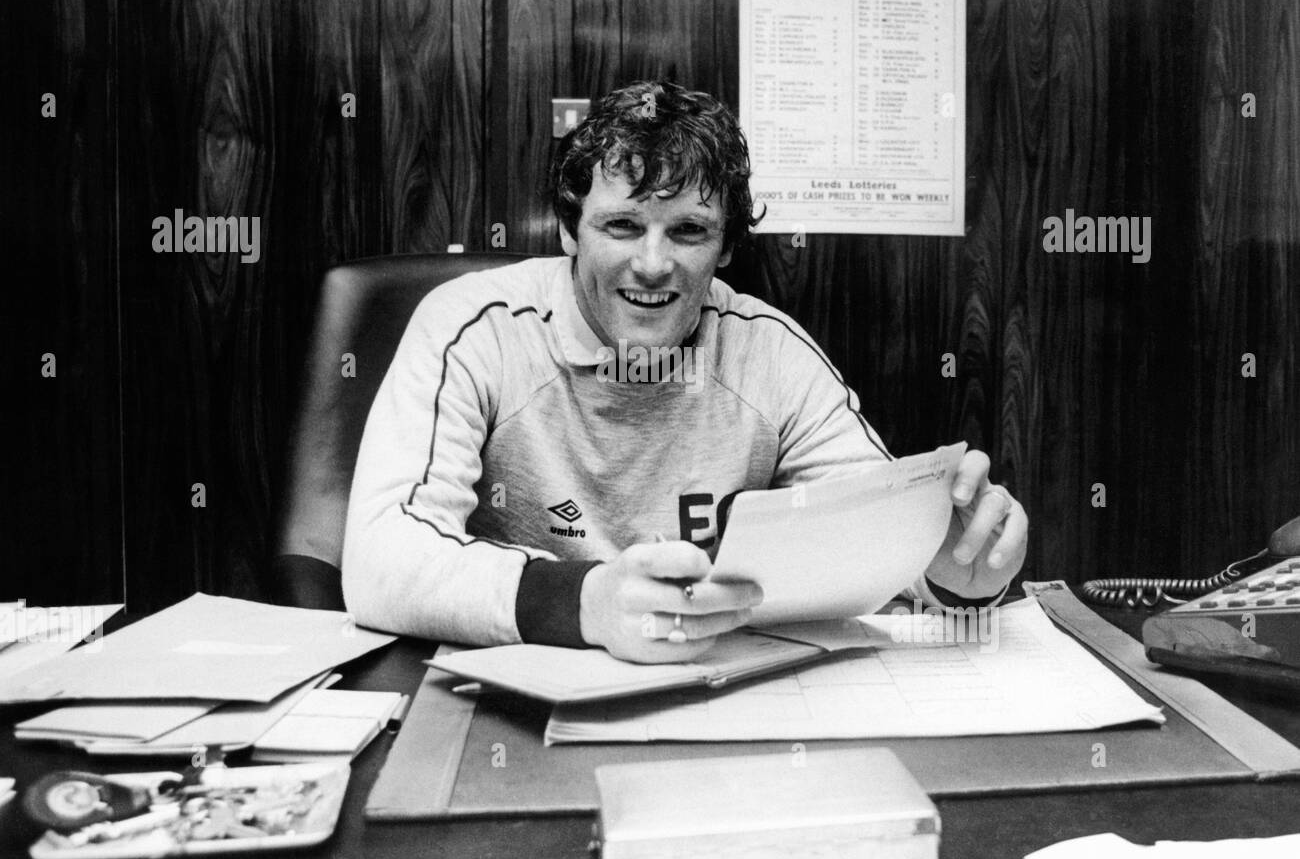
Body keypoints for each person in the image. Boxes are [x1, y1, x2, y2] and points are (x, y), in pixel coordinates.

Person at [342, 80, 1027, 662]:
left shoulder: (770, 353)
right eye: (621, 227)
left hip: (715, 713)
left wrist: (952, 569)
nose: (652, 263)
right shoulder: (473, 327)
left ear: (726, 245)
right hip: (514, 705)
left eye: (688, 231)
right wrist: (587, 602)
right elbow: (382, 561)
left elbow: (878, 532)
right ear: (567, 230)